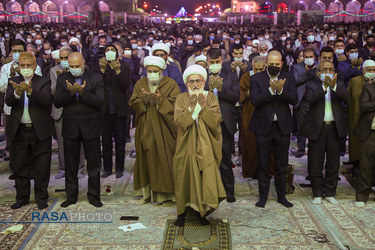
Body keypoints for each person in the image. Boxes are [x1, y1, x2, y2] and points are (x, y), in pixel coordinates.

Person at [173, 64, 226, 227]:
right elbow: (179, 121)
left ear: (204, 82)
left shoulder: (209, 97)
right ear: (187, 83)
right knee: (184, 177)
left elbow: (216, 120)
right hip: (186, 145)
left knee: (205, 176)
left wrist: (204, 109)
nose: (195, 85)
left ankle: (202, 212)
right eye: (191, 82)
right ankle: (181, 213)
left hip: (206, 146)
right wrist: (195, 111)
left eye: (198, 81)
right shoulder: (181, 98)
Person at [54, 52, 105, 208]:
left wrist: (83, 93)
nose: (74, 69)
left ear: (84, 64)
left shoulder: (95, 77)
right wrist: (70, 93)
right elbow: (57, 102)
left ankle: (94, 195)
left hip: (90, 126)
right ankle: (71, 196)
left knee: (94, 164)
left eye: (77, 66)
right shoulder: (63, 78)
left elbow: (99, 102)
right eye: (72, 66)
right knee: (70, 164)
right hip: (70, 126)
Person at [129, 56, 180, 205]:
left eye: (155, 71)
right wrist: (143, 101)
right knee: (146, 159)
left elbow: (177, 105)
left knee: (164, 160)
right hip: (145, 128)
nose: (152, 74)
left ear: (162, 70)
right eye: (149, 71)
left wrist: (160, 102)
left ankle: (167, 196)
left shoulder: (170, 84)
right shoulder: (141, 83)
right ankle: (147, 195)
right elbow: (133, 102)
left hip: (164, 129)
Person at [249, 50, 298, 208]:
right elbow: (255, 101)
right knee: (263, 163)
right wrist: (271, 90)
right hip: (263, 126)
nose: (274, 66)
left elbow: (294, 99)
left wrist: (281, 90)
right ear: (266, 63)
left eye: (277, 64)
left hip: (282, 126)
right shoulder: (256, 78)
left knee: (281, 163)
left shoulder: (288, 77)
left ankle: (281, 196)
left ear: (282, 64)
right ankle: (262, 197)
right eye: (271, 64)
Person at [6, 52, 52, 209]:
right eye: (22, 65)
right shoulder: (13, 81)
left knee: (41, 167)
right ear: (18, 66)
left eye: (28, 66)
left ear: (34, 66)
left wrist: (31, 91)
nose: (25, 68)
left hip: (39, 130)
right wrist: (18, 92)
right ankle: (22, 197)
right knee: (20, 166)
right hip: (19, 130)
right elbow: (8, 101)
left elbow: (46, 101)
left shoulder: (44, 81)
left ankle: (41, 198)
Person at [301, 60, 348, 205]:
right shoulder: (312, 85)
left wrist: (333, 86)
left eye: (330, 69)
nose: (327, 72)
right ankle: (316, 192)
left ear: (334, 72)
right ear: (318, 72)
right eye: (324, 69)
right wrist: (324, 87)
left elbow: (347, 98)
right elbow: (311, 99)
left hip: (334, 128)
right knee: (316, 162)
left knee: (333, 162)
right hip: (317, 128)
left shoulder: (339, 84)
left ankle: (330, 192)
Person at [205, 48, 239, 203]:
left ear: (221, 60)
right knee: (207, 158)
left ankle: (229, 192)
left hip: (225, 122)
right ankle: (209, 191)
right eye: (211, 63)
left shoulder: (230, 74)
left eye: (216, 62)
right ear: (207, 62)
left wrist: (221, 88)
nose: (214, 65)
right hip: (206, 122)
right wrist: (209, 88)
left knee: (225, 159)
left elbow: (235, 96)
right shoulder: (201, 76)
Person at [50, 46, 85, 180]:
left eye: (66, 58)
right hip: (59, 111)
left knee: (79, 140)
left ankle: (80, 168)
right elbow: (52, 91)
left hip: (76, 109)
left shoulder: (78, 69)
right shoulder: (54, 70)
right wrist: (61, 80)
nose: (63, 61)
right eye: (61, 58)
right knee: (61, 141)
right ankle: (63, 168)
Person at [240, 56, 275, 178]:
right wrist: (254, 91)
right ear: (252, 67)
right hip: (249, 112)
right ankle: (251, 171)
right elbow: (242, 94)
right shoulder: (246, 77)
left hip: (265, 111)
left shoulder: (269, 76)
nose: (259, 73)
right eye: (256, 70)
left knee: (267, 142)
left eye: (261, 70)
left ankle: (268, 170)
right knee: (250, 142)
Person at [99, 44, 130, 178]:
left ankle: (119, 168)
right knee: (106, 142)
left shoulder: (124, 66)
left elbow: (125, 85)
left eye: (112, 50)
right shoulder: (101, 66)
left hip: (119, 110)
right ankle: (106, 168)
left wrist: (117, 71)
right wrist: (102, 70)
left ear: (117, 53)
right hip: (105, 111)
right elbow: (97, 85)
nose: (110, 52)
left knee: (120, 142)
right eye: (107, 50)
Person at [347, 60, 375, 176]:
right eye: (369, 70)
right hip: (356, 115)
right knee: (356, 141)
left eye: (374, 70)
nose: (372, 72)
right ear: (363, 71)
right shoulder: (355, 81)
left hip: (372, 120)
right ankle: (356, 163)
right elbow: (348, 98)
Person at [353, 66, 375, 207]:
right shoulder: (369, 88)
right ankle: (362, 196)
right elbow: (363, 105)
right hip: (370, 132)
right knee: (366, 166)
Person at [292, 48, 317, 158]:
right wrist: (307, 74)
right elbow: (295, 81)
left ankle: (314, 147)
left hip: (316, 100)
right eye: (306, 57)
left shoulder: (319, 66)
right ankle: (301, 148)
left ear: (314, 57)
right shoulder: (297, 67)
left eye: (311, 57)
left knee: (315, 125)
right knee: (301, 125)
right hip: (303, 100)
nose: (309, 59)